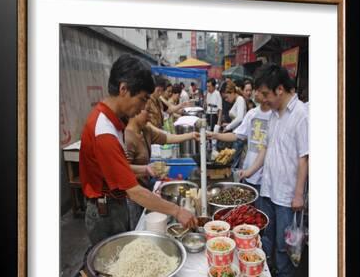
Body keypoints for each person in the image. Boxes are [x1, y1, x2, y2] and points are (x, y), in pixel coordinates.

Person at [79, 54, 197, 245]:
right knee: (111, 267)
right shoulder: (104, 132)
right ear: (123, 89)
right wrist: (177, 210)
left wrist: (144, 169)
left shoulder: (112, 121)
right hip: (105, 212)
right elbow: (134, 191)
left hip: (114, 205)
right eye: (142, 100)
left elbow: (118, 169)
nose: (144, 107)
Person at [254, 63, 309, 277]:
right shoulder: (274, 115)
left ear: (279, 89)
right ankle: (268, 273)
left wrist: (298, 195)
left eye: (266, 94)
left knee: (283, 242)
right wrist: (249, 172)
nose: (263, 100)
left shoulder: (301, 114)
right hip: (268, 188)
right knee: (266, 236)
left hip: (287, 194)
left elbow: (304, 157)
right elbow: (266, 148)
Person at [124, 108, 199, 227]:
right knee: (139, 225)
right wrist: (146, 169)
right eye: (146, 111)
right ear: (135, 111)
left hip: (145, 189)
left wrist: (191, 135)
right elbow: (124, 170)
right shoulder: (128, 137)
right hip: (133, 195)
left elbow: (167, 138)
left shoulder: (145, 131)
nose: (150, 116)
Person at [207, 88, 272, 196]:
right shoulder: (252, 114)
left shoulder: (275, 115)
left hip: (267, 177)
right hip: (249, 173)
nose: (254, 93)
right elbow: (237, 135)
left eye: (258, 90)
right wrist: (215, 135)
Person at [214, 81, 247, 162]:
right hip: (236, 135)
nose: (226, 100)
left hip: (239, 137)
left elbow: (240, 118)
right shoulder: (238, 100)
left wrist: (228, 127)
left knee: (233, 162)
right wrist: (229, 124)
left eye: (226, 97)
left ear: (232, 92)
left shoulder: (240, 99)